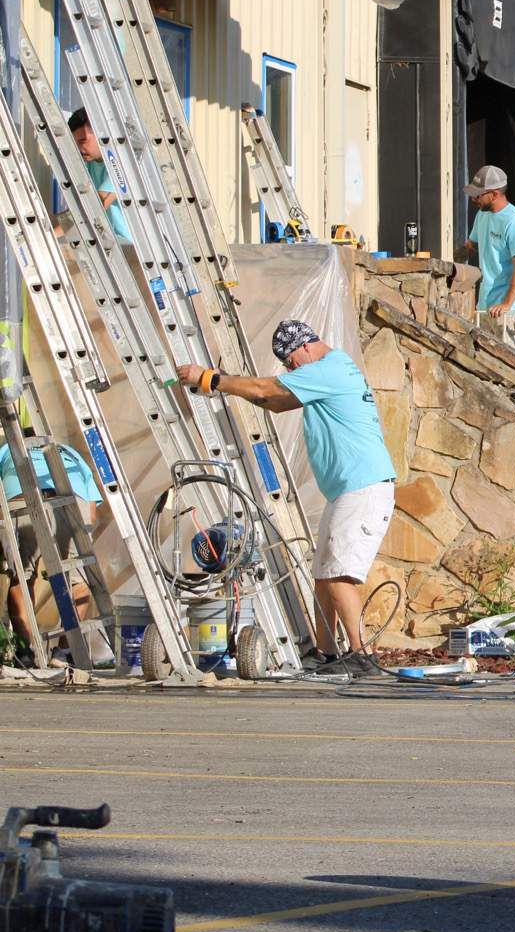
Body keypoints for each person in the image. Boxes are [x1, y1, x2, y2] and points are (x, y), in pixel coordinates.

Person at [176, 319, 396, 676]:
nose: (290, 369)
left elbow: (266, 388)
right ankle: (327, 654)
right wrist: (230, 386)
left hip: (362, 488)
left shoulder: (329, 368)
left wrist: (210, 379)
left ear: (305, 346)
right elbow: (274, 402)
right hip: (349, 489)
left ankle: (363, 656)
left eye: (291, 361)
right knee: (323, 574)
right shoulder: (327, 372)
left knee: (339, 574)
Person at [0, 439, 109, 665]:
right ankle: (65, 652)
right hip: (72, 499)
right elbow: (91, 514)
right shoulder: (72, 452)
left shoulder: (6, 449)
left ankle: (25, 651)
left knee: (22, 576)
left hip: (21, 498)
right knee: (79, 580)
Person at [459, 164, 515, 354]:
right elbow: (470, 247)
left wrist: (506, 304)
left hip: (509, 311)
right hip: (485, 306)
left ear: (494, 194)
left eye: (478, 195)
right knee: (483, 365)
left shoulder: (514, 221)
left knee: (509, 366)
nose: (473, 199)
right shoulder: (482, 216)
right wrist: (445, 263)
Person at [67, 108, 133, 244]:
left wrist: (52, 234)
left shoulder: (121, 161)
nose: (80, 149)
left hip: (135, 247)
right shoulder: (87, 164)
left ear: (100, 134)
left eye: (83, 141)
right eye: (75, 143)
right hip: (111, 243)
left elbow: (96, 205)